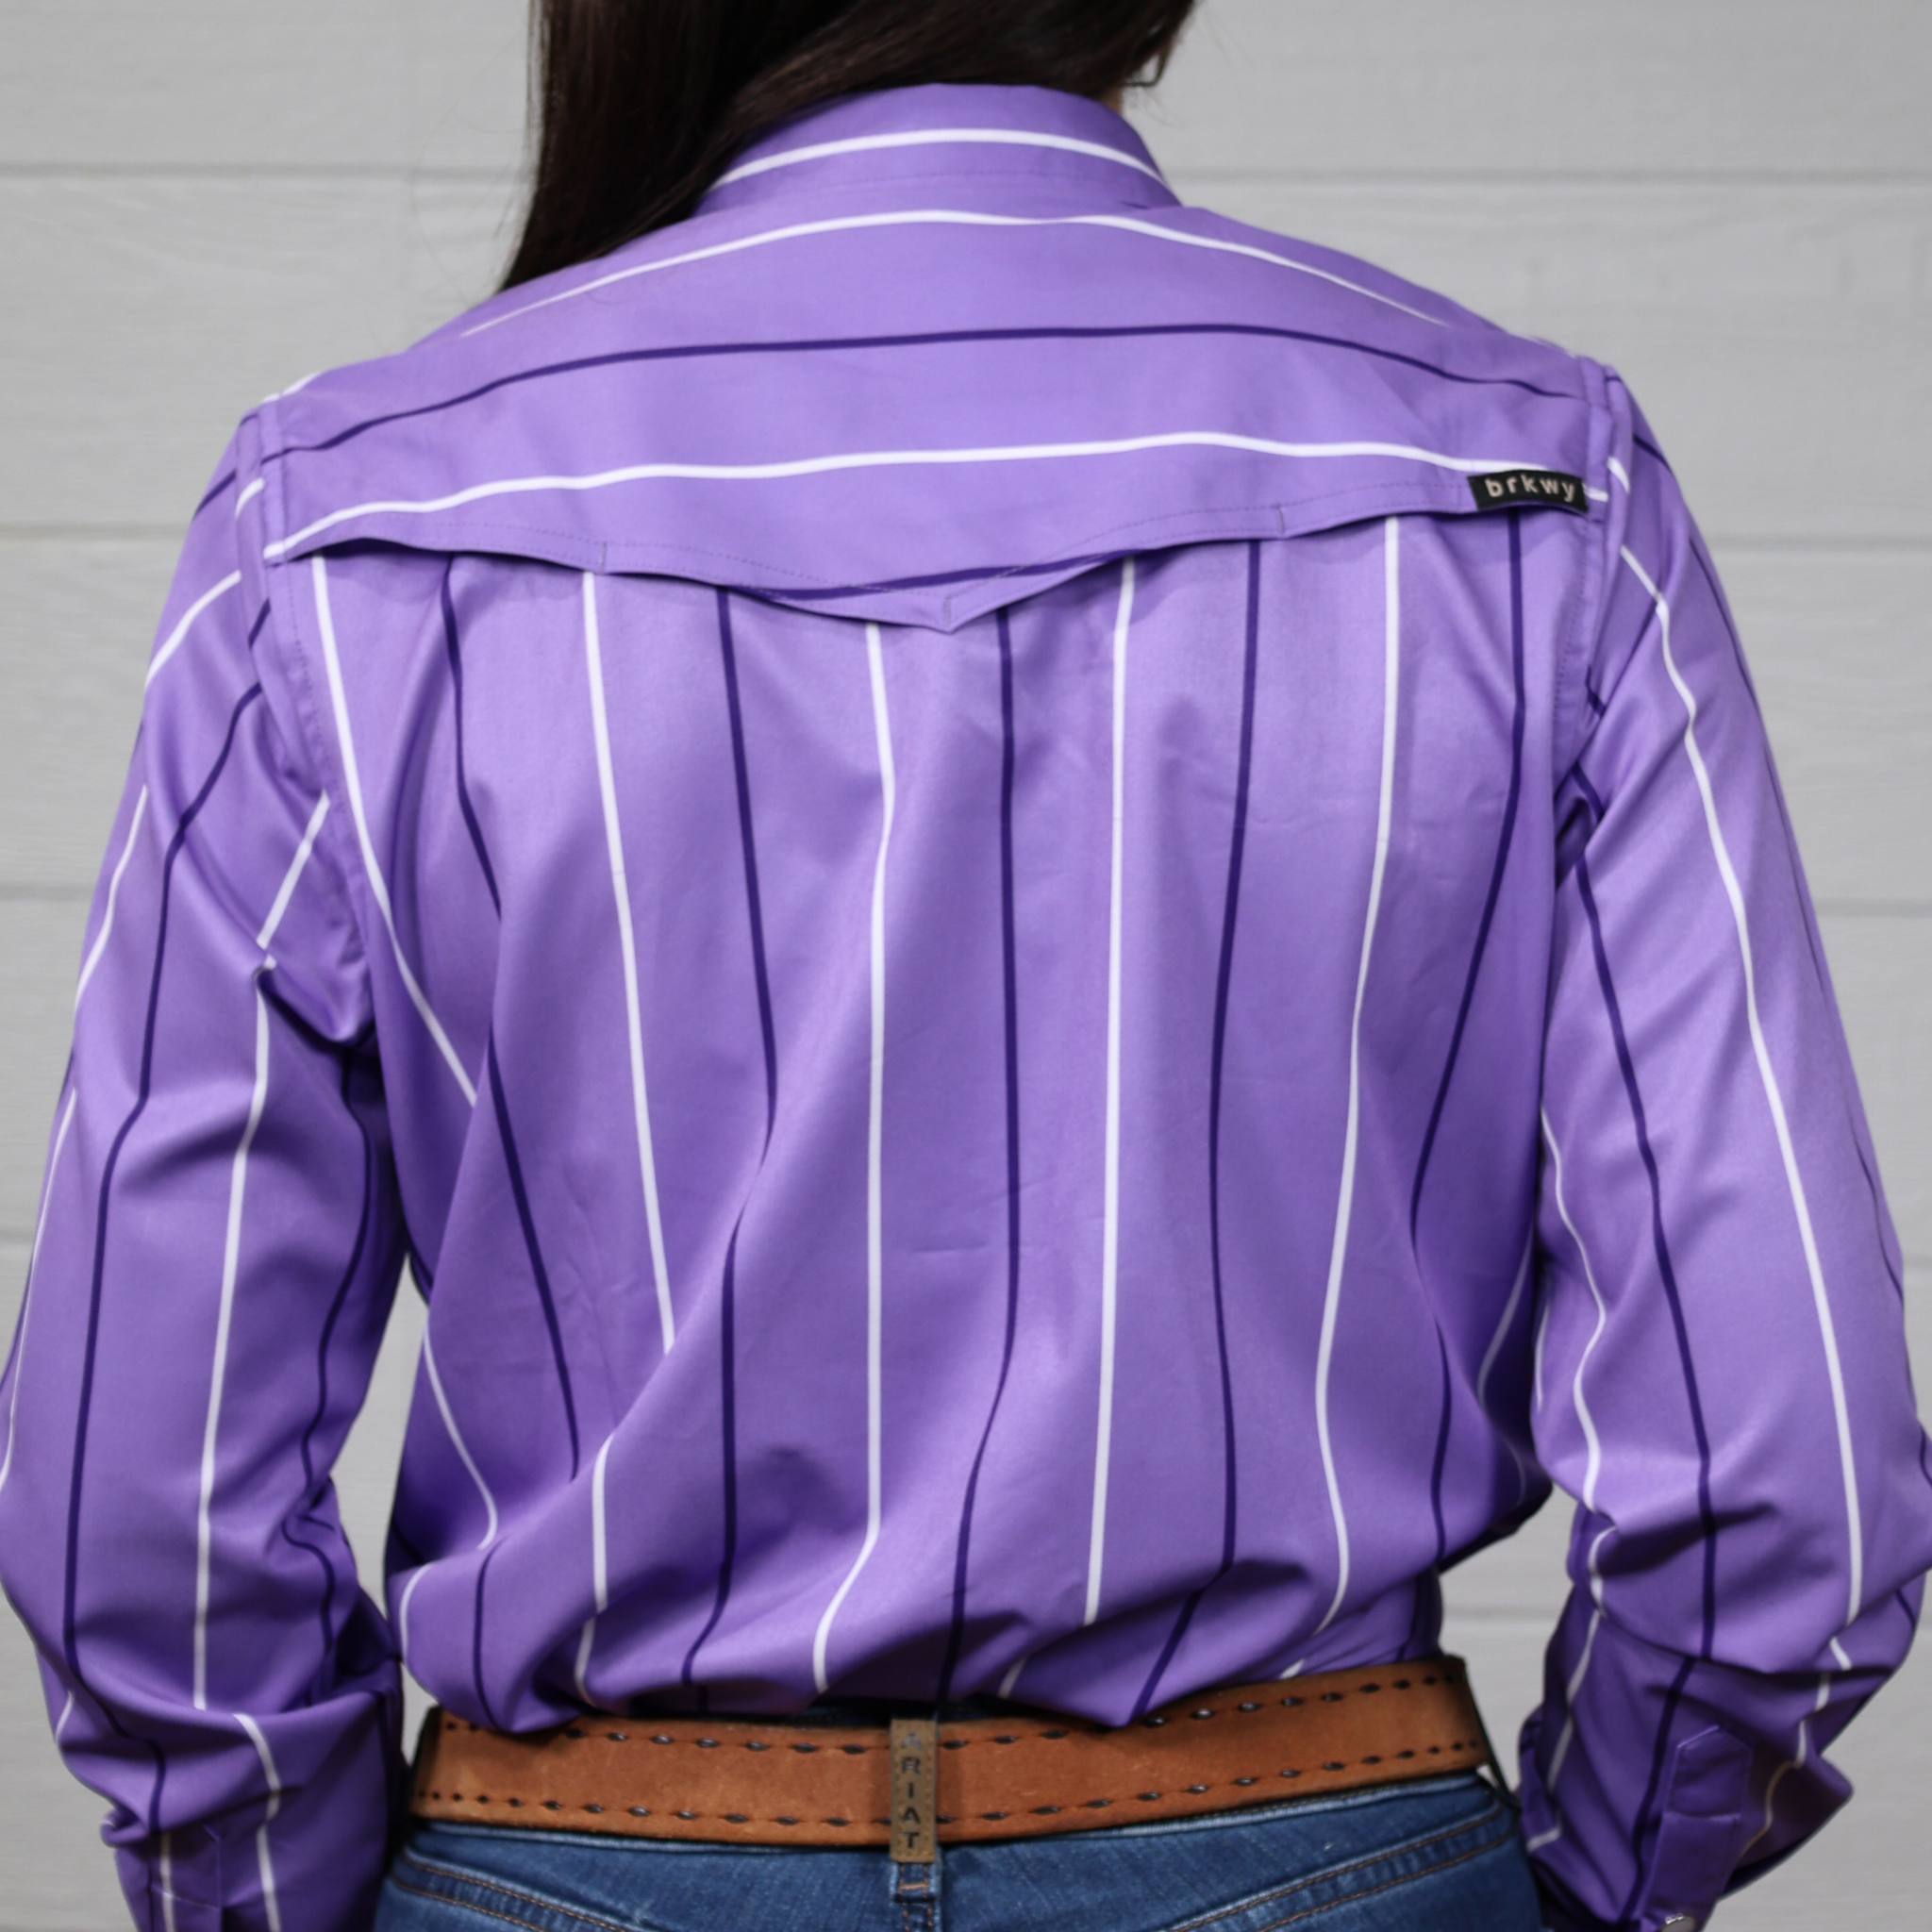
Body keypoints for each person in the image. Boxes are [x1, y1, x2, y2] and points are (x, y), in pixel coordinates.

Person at [2, 2, 1927, 1928]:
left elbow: (139, 1523)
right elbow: (1783, 1488)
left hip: (584, 1862)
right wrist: (1579, 1888)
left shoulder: (333, 531)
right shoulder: (1534, 492)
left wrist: (292, 1897)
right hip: (1327, 1843)